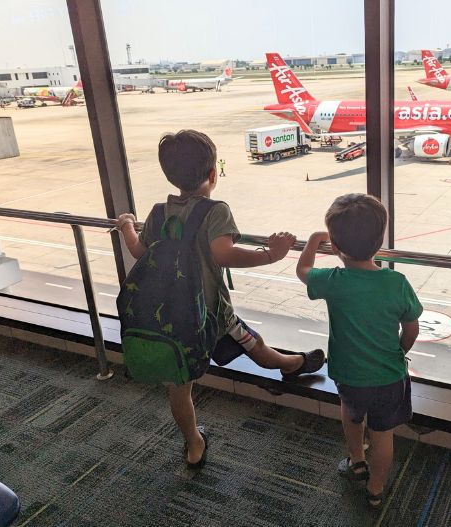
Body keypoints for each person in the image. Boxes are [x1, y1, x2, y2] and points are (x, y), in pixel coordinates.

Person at [116, 130, 325, 468]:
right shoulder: (215, 211)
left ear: (169, 175)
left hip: (173, 319)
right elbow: (224, 253)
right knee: (253, 346)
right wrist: (271, 254)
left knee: (180, 389)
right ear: (213, 175)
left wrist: (126, 224)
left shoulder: (157, 213)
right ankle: (290, 365)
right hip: (213, 315)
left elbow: (139, 250)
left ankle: (194, 443)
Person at [296, 193, 422, 509]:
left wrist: (312, 241)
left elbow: (303, 270)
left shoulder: (333, 280)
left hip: (349, 374)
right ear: (379, 242)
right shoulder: (396, 283)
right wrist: (399, 351)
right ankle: (376, 489)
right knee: (383, 434)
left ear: (335, 248)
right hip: (389, 376)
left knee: (351, 415)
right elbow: (411, 329)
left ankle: (356, 460)